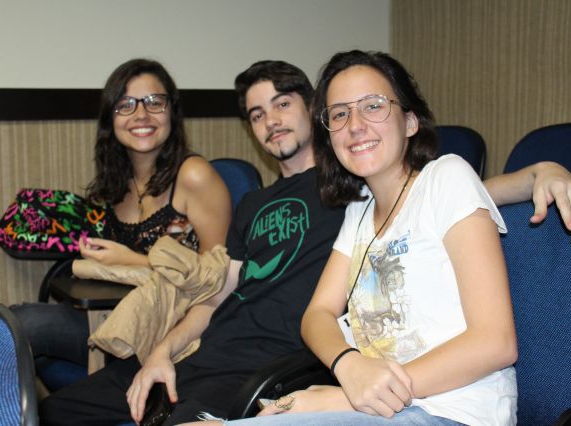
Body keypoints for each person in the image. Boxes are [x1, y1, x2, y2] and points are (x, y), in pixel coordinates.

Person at [40, 59, 571, 426]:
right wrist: (163, 350)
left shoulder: (368, 186)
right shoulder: (337, 206)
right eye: (257, 114)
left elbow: (447, 194)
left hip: (380, 393)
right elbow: (231, 298)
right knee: (56, 412)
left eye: (283, 104)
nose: (272, 122)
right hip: (269, 367)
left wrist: (537, 172)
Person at [214, 49, 516, 426]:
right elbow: (317, 315)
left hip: (451, 411)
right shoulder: (359, 209)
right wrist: (348, 365)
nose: (355, 125)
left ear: (409, 121)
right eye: (340, 114)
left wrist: (347, 397)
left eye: (373, 106)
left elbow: (496, 342)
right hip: (380, 407)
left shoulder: (447, 177)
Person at [11, 58, 231, 373]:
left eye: (154, 102)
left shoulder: (194, 175)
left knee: (21, 324)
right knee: (5, 322)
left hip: (171, 328)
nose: (141, 114)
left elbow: (219, 281)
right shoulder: (119, 179)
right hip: (119, 315)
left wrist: (130, 260)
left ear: (171, 111)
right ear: (110, 119)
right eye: (125, 105)